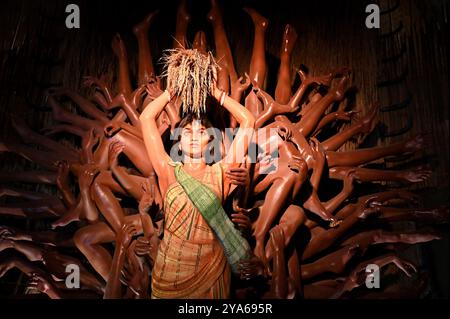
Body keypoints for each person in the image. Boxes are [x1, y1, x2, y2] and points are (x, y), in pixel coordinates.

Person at [139, 53, 256, 298]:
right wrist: (172, 91)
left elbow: (248, 120)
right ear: (178, 141)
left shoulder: (222, 172)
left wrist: (214, 92)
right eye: (187, 131)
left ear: (210, 139)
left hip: (212, 268)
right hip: (170, 269)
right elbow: (146, 118)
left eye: (201, 130)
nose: (193, 135)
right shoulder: (167, 170)